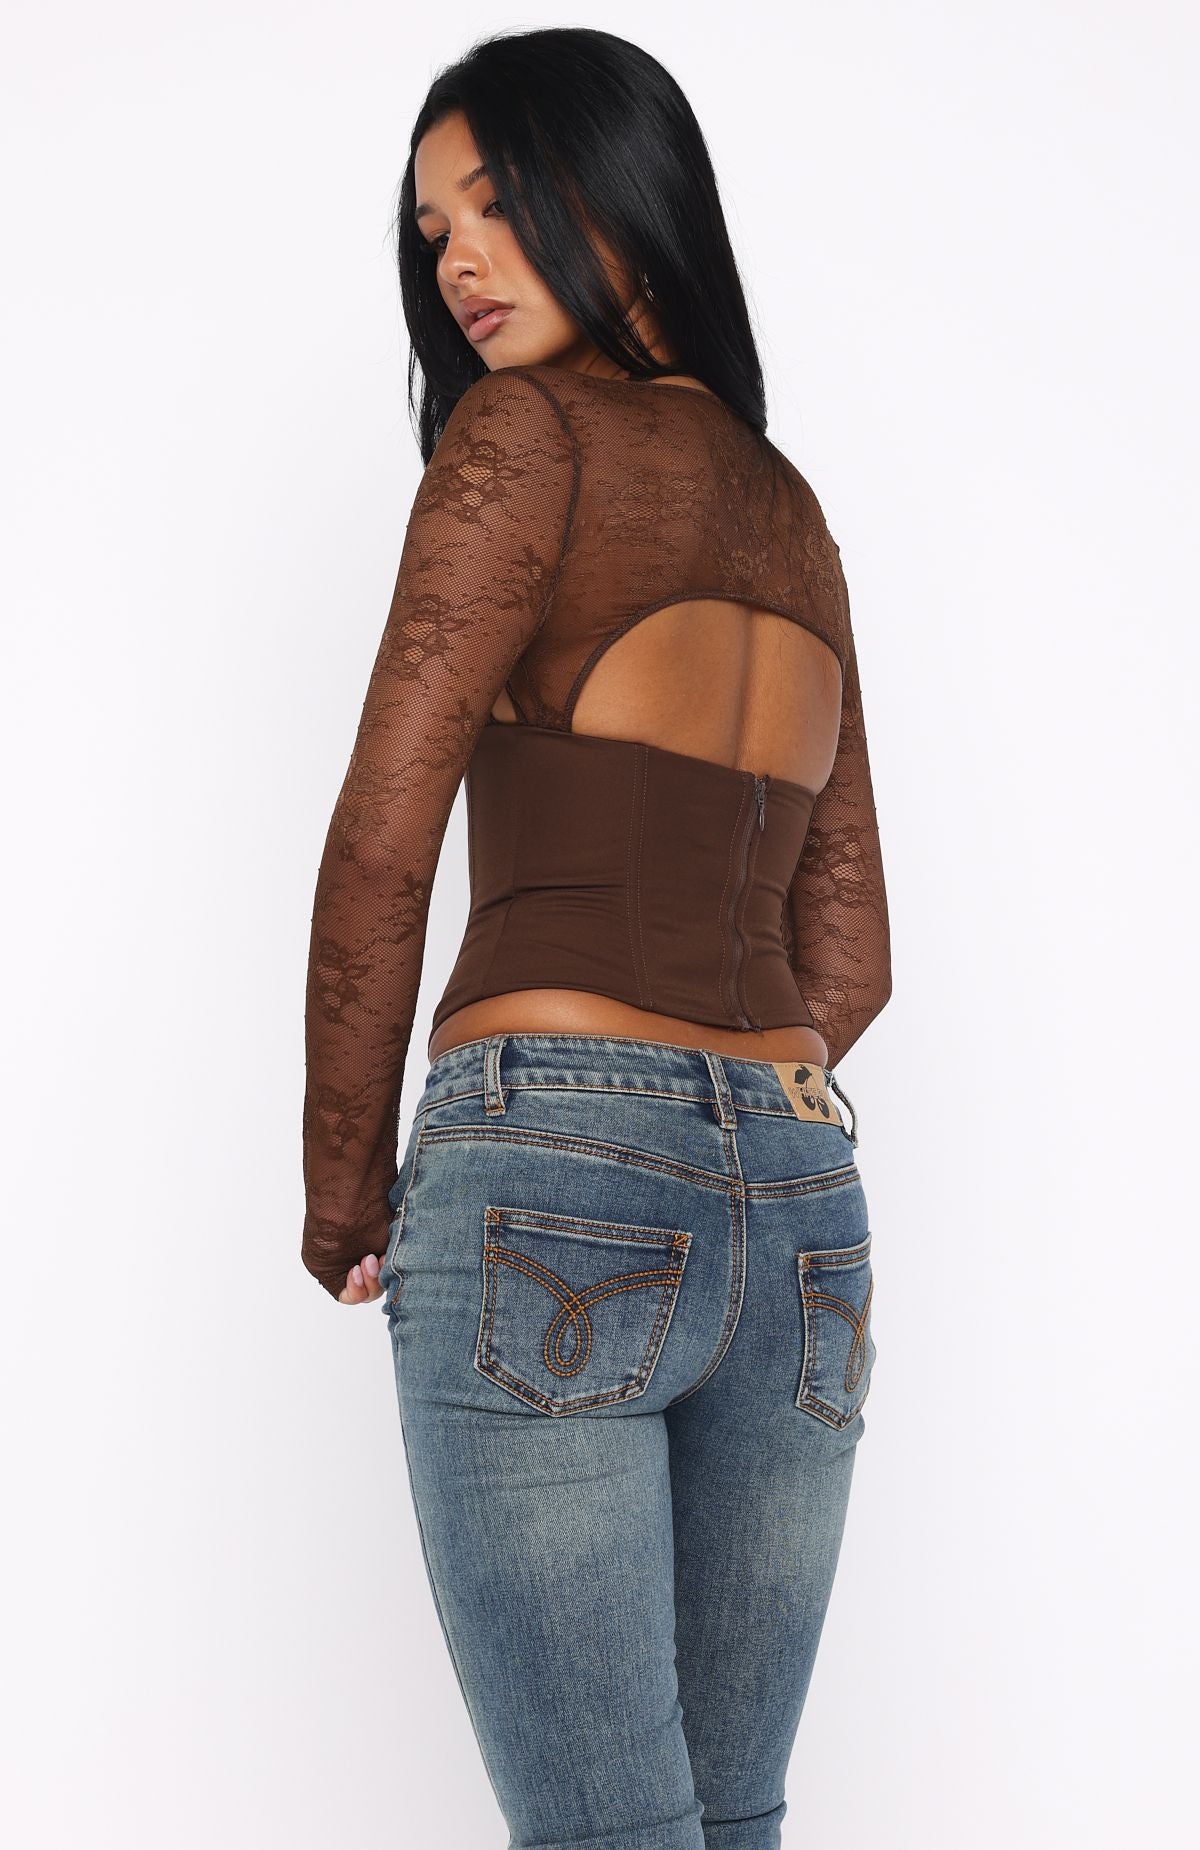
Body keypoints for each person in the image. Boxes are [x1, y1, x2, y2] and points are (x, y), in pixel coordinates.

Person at [301, 26, 891, 1850]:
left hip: (551, 1166)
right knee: (728, 1820)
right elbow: (852, 954)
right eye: (433, 230)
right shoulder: (792, 510)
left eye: (496, 202)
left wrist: (343, 1192)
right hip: (805, 1210)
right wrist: (723, 1121)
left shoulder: (525, 438)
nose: (459, 261)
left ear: (628, 199)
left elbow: (386, 835)